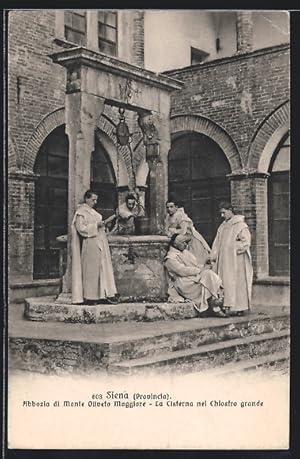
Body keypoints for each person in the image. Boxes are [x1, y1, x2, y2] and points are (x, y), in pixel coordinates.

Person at [71, 190, 118, 305]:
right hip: (90, 243)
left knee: (101, 269)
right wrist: (96, 225)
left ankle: (102, 295)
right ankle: (90, 296)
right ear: (86, 199)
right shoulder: (81, 212)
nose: (95, 202)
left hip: (99, 241)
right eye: (93, 200)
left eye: (96, 200)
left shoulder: (92, 211)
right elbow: (80, 228)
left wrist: (103, 225)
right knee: (91, 271)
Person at [164, 234, 227, 317]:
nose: (185, 245)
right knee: (207, 276)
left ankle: (214, 303)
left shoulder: (185, 253)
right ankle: (214, 305)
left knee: (208, 274)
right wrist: (199, 270)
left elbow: (195, 265)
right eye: (183, 243)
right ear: (175, 244)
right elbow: (182, 271)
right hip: (183, 282)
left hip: (191, 277)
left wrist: (204, 266)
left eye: (186, 242)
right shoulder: (170, 258)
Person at [210, 202, 253, 316]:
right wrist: (213, 256)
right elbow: (216, 242)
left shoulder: (240, 225)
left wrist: (233, 247)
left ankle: (240, 307)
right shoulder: (223, 226)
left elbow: (246, 242)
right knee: (224, 282)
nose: (222, 216)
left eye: (224, 212)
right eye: (221, 213)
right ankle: (226, 306)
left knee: (238, 283)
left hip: (236, 261)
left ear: (230, 210)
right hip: (224, 261)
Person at [164, 198, 211, 266]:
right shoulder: (168, 217)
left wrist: (173, 231)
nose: (169, 209)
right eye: (167, 207)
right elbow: (167, 228)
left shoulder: (181, 215)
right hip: (178, 236)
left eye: (171, 207)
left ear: (176, 207)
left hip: (189, 237)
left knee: (195, 260)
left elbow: (184, 231)